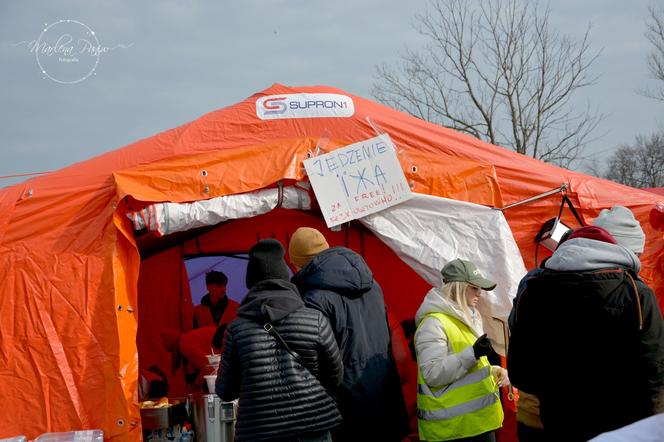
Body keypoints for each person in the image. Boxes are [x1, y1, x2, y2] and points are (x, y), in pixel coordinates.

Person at [508, 222, 664, 441]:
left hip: (559, 422)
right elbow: (655, 370)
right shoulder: (635, 292)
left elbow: (521, 373)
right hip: (623, 425)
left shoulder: (534, 291)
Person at [289, 227, 409, 442]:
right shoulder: (373, 285)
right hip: (385, 399)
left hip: (347, 410)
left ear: (295, 265)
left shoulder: (312, 298)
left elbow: (317, 361)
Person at [216, 239, 343, 442]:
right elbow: (335, 377)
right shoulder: (315, 319)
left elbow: (225, 391)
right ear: (285, 276)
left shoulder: (236, 330)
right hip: (312, 428)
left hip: (259, 432)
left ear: (250, 281)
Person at [414, 259, 506, 442]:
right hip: (453, 431)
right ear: (458, 287)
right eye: (474, 287)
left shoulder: (470, 316)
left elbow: (466, 365)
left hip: (477, 424)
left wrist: (491, 371)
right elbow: (432, 373)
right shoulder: (433, 323)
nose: (480, 293)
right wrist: (472, 354)